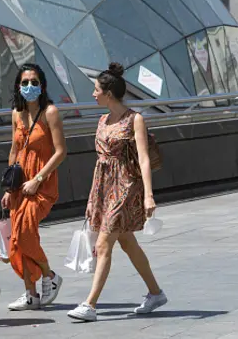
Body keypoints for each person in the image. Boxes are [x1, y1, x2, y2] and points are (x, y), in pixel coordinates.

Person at [68, 62, 167, 323]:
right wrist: (93, 199)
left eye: (96, 90)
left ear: (108, 93)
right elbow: (100, 161)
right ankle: (155, 293)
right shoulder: (102, 120)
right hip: (103, 186)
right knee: (126, 241)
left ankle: (90, 304)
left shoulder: (135, 119)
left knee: (103, 244)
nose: (93, 94)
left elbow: (144, 159)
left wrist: (148, 195)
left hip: (126, 186)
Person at [2, 63, 67, 311]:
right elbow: (14, 150)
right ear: (19, 86)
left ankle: (50, 276)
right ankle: (31, 294)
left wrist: (38, 179)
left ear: (42, 85)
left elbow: (60, 152)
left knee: (26, 233)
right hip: (19, 184)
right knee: (16, 240)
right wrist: (9, 188)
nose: (30, 86)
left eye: (35, 82)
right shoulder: (16, 114)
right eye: (25, 82)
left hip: (41, 183)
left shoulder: (50, 112)